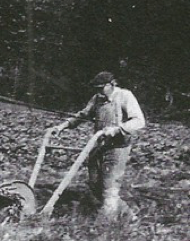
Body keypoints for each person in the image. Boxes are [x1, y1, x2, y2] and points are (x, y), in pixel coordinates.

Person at [49, 71, 145, 219]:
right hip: (99, 145)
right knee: (94, 184)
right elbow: (83, 115)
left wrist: (117, 130)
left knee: (110, 186)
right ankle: (129, 216)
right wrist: (62, 126)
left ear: (111, 84)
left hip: (117, 147)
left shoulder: (125, 96)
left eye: (101, 88)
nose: (98, 91)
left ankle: (107, 225)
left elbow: (139, 121)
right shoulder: (97, 98)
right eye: (96, 88)